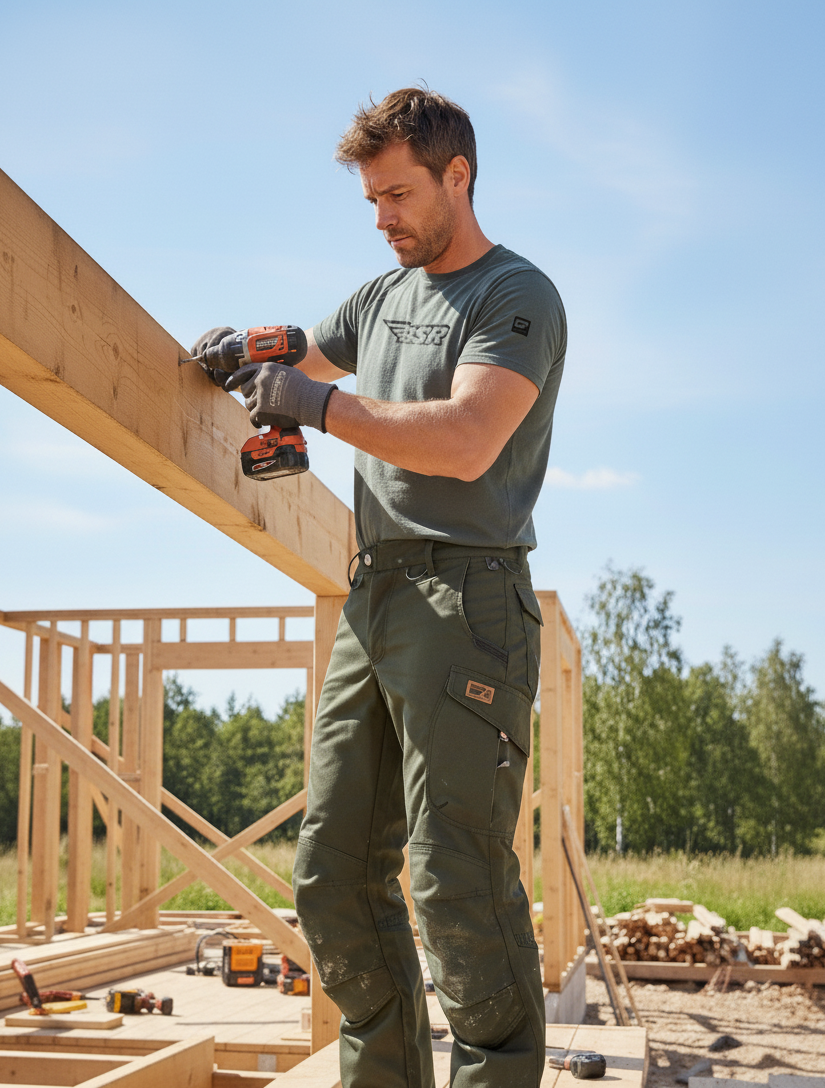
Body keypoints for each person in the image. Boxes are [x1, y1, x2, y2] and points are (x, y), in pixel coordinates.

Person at [192, 87, 565, 1088]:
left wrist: (317, 402)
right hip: (377, 595)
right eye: (370, 199)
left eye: (398, 193)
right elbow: (299, 365)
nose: (383, 216)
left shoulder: (515, 294)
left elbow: (466, 434)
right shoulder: (377, 297)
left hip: (470, 600)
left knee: (458, 884)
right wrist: (243, 365)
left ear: (459, 176)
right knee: (332, 878)